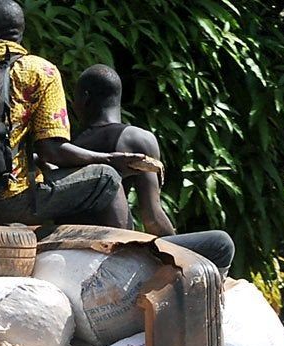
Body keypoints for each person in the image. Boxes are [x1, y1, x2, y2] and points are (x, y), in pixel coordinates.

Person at [0, 0, 155, 226]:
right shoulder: (40, 71)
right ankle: (124, 254)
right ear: (20, 33)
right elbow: (52, 151)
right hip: (5, 201)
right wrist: (109, 159)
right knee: (106, 177)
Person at [73, 64, 236, 271]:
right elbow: (152, 218)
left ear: (85, 98)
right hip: (114, 246)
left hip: (74, 242)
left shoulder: (68, 145)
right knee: (221, 243)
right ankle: (209, 298)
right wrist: (178, 256)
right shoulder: (135, 139)